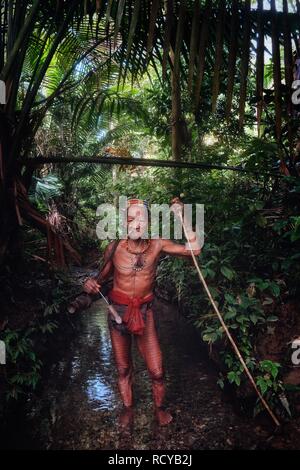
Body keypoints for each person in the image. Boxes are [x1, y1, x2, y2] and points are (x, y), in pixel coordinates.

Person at [83, 198, 201, 427]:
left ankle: (159, 409)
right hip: (117, 312)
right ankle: (128, 409)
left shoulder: (157, 245)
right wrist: (88, 284)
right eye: (130, 219)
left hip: (145, 313)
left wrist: (182, 216)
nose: (136, 224)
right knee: (123, 368)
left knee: (157, 371)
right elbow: (98, 282)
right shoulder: (115, 248)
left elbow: (195, 250)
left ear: (148, 222)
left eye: (141, 218)